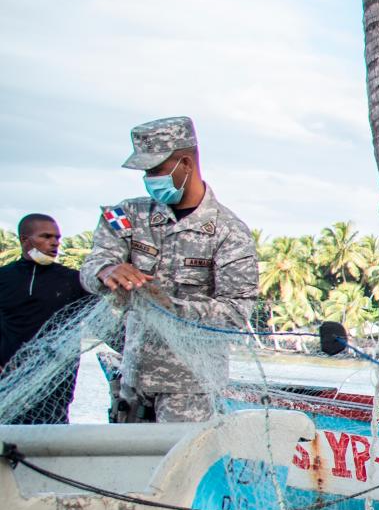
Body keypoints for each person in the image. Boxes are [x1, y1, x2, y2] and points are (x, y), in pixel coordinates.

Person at [79, 117, 257, 423]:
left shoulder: (230, 233)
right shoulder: (127, 215)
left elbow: (236, 313)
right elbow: (91, 265)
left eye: (156, 170)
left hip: (190, 390)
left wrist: (171, 307)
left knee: (178, 469)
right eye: (145, 172)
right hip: (133, 382)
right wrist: (106, 270)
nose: (149, 179)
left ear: (185, 163)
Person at [0, 214, 93, 423]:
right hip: (9, 376)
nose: (55, 243)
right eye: (46, 237)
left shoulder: (73, 280)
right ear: (25, 240)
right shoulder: (4, 277)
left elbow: (100, 316)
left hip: (56, 377)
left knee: (52, 431)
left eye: (58, 238)